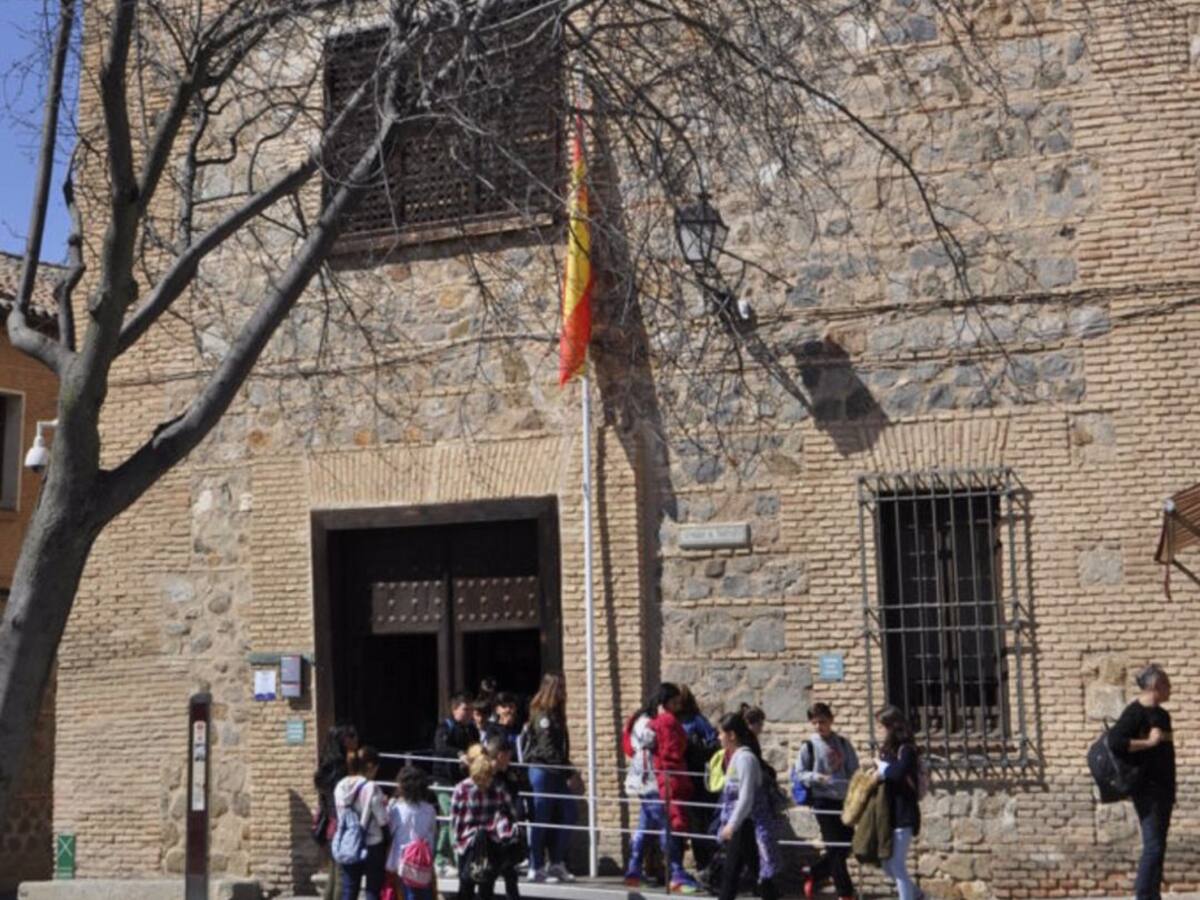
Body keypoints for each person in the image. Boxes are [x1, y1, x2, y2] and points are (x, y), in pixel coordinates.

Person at [1110, 664, 1176, 900]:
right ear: (1156, 685)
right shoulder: (1134, 713)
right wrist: (1147, 743)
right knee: (1153, 846)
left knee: (1159, 847)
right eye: (1167, 684)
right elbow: (1115, 742)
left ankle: (1153, 894)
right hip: (1147, 790)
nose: (1170, 688)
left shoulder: (1162, 715)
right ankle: (1144, 895)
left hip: (1164, 790)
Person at [715, 713, 782, 900]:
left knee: (743, 872)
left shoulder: (745, 759)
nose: (718, 737)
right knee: (741, 871)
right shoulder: (737, 757)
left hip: (748, 823)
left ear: (732, 735)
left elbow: (746, 796)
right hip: (743, 823)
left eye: (721, 733)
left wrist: (731, 824)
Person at [795, 703, 859, 900]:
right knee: (834, 846)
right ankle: (845, 893)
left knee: (845, 845)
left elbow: (854, 770)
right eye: (814, 723)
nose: (818, 726)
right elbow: (800, 773)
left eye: (822, 722)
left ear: (831, 720)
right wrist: (818, 778)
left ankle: (813, 873)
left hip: (844, 801)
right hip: (823, 801)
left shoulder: (843, 743)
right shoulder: (809, 746)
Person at [523, 673, 578, 883]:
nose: (564, 692)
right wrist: (569, 771)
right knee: (542, 818)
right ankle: (536, 865)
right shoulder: (542, 715)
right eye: (561, 687)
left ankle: (556, 862)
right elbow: (547, 749)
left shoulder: (557, 713)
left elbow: (561, 748)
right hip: (543, 771)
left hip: (556, 772)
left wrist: (566, 769)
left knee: (570, 813)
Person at [650, 683, 701, 894]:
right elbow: (671, 751)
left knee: (673, 825)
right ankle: (676, 874)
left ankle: (676, 872)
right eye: (675, 702)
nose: (678, 706)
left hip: (669, 778)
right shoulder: (668, 721)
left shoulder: (658, 721)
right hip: (672, 778)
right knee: (676, 825)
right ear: (667, 702)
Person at [451, 744, 520, 900]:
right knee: (487, 888)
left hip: (467, 843)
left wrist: (458, 843)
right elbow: (511, 813)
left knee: (465, 886)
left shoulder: (461, 788)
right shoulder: (498, 787)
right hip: (491, 843)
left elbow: (455, 820)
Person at [874, 706, 920, 900]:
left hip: (904, 814)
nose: (878, 731)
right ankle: (918, 896)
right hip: (889, 814)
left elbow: (899, 773)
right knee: (887, 864)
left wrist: (883, 768)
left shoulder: (907, 749)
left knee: (897, 864)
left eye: (881, 726)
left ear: (891, 727)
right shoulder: (888, 751)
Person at [434, 693, 480, 876]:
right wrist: (459, 754)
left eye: (470, 710)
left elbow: (476, 748)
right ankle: (456, 859)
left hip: (462, 781)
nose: (468, 713)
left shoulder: (472, 729)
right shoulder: (445, 727)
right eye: (465, 709)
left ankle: (441, 859)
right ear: (454, 710)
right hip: (444, 780)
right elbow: (441, 748)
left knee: (451, 820)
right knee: (451, 816)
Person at [335, 746, 389, 900]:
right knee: (372, 889)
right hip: (372, 844)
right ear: (371, 766)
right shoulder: (372, 788)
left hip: (349, 843)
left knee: (349, 889)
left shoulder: (340, 786)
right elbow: (382, 819)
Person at [622, 697, 664, 888]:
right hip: (649, 779)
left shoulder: (642, 720)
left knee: (645, 825)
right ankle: (672, 870)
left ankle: (635, 871)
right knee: (661, 825)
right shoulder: (645, 722)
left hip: (647, 778)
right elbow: (651, 742)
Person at [315, 725, 360, 900]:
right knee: (341, 877)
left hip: (330, 824)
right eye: (351, 737)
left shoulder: (326, 766)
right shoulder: (340, 768)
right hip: (341, 824)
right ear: (343, 741)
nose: (355, 740)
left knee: (333, 874)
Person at [678, 685, 720, 870]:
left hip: (694, 779)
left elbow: (713, 743)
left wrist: (695, 748)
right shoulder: (670, 720)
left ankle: (704, 865)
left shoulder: (696, 720)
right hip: (675, 778)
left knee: (698, 824)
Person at [386, 766, 439, 900]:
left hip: (402, 861)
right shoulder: (430, 810)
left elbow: (390, 831)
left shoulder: (397, 809)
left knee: (405, 894)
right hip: (423, 862)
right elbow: (432, 834)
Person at [484, 733, 526, 900]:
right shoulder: (485, 775)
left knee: (509, 873)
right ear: (501, 755)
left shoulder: (506, 775)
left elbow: (513, 796)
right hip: (490, 832)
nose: (510, 759)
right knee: (489, 875)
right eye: (508, 755)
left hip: (504, 832)